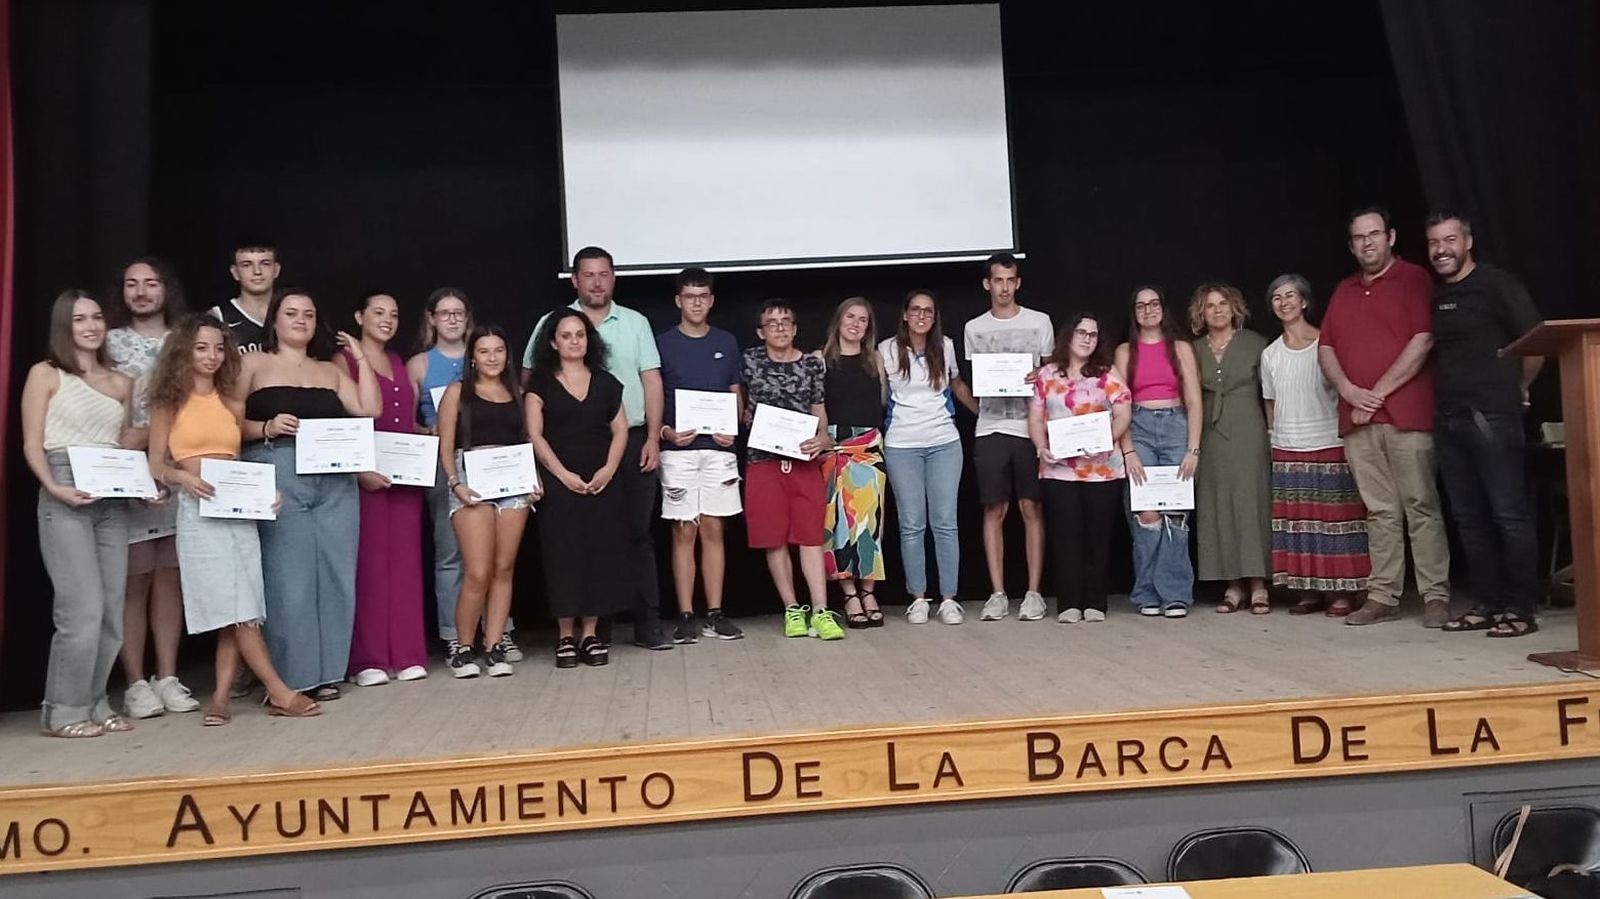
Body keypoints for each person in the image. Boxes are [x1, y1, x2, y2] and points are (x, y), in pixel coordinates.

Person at [146, 315, 320, 723]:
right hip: (198, 510)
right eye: (201, 347)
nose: (210, 356)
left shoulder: (230, 401)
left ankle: (221, 699)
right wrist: (183, 478)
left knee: (242, 604)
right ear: (184, 351)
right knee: (235, 605)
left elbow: (239, 459)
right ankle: (280, 692)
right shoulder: (167, 401)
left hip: (237, 509)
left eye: (217, 348)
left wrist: (264, 495)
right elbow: (156, 463)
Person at [234, 288, 379, 700]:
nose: (300, 320)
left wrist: (360, 358)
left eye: (309, 314)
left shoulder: (329, 370)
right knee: (287, 579)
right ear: (274, 320)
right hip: (277, 467)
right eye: (292, 313)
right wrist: (264, 427)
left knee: (336, 574)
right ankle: (292, 678)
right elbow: (227, 421)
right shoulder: (253, 363)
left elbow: (369, 409)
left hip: (334, 477)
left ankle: (328, 671)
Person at [522, 247, 670, 651]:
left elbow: (651, 380)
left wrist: (654, 437)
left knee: (635, 534)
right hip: (566, 447)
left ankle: (647, 623)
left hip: (632, 439)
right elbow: (529, 382)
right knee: (574, 538)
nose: (597, 282)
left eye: (604, 274)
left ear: (613, 278)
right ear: (575, 280)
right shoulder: (549, 324)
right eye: (588, 275)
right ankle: (592, 630)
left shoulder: (636, 323)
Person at [1319, 206, 1451, 627]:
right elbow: (1326, 349)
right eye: (1359, 238)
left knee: (1421, 505)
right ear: (1351, 245)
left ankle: (1435, 595)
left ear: (1391, 237)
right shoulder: (1343, 290)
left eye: (1374, 234)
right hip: (1358, 419)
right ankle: (1383, 596)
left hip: (1406, 414)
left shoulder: (1413, 278)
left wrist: (1376, 393)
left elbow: (1423, 340)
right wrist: (1350, 391)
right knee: (1379, 511)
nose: (1367, 243)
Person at [20, 290, 135, 737]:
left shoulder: (122, 382)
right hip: (64, 487)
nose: (90, 326)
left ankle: (95, 700)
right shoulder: (45, 374)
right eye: (79, 319)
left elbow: (119, 445)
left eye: (96, 317)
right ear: (63, 328)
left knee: (110, 610)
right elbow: (32, 441)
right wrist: (53, 486)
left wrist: (143, 488)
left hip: (111, 495)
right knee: (80, 610)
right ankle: (63, 710)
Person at [1427, 213, 1545, 637]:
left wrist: (1518, 389)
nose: (1442, 249)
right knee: (1469, 517)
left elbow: (1536, 343)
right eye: (1435, 243)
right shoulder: (1438, 297)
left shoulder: (1497, 284)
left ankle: (1522, 608)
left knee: (1508, 513)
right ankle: (1486, 602)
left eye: (1450, 240)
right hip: (1449, 417)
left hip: (1493, 416)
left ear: (1468, 242)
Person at [406, 289, 520, 657]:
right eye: (445, 313)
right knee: (456, 558)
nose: (453, 319)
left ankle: (497, 635)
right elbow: (408, 422)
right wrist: (435, 441)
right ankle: (457, 636)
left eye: (459, 312)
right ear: (432, 319)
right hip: (452, 468)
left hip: (506, 477)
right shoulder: (422, 365)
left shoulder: (511, 386)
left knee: (500, 565)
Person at [106, 257, 197, 719]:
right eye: (131, 284)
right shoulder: (109, 342)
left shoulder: (185, 341)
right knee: (134, 580)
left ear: (166, 289)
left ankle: (167, 675)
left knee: (170, 579)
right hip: (128, 476)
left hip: (179, 471)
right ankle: (135, 682)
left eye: (151, 283)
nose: (141, 291)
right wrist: (137, 442)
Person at [1260, 275, 1371, 616]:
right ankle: (1307, 589)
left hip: (1328, 441)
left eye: (1290, 295)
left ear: (1304, 301)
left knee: (1336, 523)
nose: (1284, 302)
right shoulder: (1270, 354)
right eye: (1277, 297)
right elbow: (1270, 402)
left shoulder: (1326, 343)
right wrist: (1273, 437)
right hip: (1288, 446)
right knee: (1301, 525)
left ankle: (1342, 592)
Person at [526, 310, 632, 666]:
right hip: (560, 484)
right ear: (553, 342)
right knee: (563, 557)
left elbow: (620, 430)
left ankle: (590, 635)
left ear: (590, 340)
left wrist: (609, 469)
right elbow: (534, 435)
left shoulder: (606, 382)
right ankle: (565, 637)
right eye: (566, 335)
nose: (574, 341)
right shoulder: (539, 385)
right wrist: (561, 475)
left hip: (601, 483)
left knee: (598, 555)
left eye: (580, 335)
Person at [438, 325, 537, 677]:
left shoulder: (518, 392)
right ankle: (464, 648)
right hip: (471, 483)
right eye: (484, 351)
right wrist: (455, 483)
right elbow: (445, 445)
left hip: (513, 485)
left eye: (498, 350)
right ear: (473, 358)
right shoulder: (457, 392)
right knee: (477, 571)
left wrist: (532, 481)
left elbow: (526, 442)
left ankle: (494, 646)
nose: (492, 357)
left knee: (503, 568)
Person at [742, 299, 843, 641]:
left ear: (795, 328)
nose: (780, 328)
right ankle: (791, 609)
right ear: (761, 332)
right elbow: (738, 404)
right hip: (762, 461)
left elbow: (819, 409)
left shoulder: (812, 366)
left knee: (810, 536)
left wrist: (823, 436)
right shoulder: (749, 361)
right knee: (774, 537)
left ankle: (820, 610)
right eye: (772, 323)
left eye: (786, 322)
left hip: (803, 461)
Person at [963, 253, 1054, 621]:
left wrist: (1039, 377)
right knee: (994, 509)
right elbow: (976, 383)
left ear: (1017, 283)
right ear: (987, 284)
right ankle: (998, 593)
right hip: (991, 428)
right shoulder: (974, 328)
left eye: (1010, 280)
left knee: (1030, 507)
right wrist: (980, 403)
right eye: (997, 280)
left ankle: (1034, 593)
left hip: (1030, 428)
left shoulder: (1040, 322)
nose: (1003, 287)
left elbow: (1053, 374)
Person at [343, 292, 428, 686]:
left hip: (405, 478)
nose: (387, 320)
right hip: (367, 478)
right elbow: (340, 425)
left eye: (394, 314)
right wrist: (359, 470)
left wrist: (428, 441)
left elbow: (407, 424)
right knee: (371, 567)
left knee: (406, 565)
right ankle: (369, 659)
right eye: (378, 312)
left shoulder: (397, 361)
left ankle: (407, 653)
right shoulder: (342, 360)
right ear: (360, 316)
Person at [656, 268, 744, 642]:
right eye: (689, 296)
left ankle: (715, 612)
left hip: (718, 451)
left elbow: (735, 391)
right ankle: (686, 614)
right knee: (683, 530)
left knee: (713, 528)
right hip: (678, 451)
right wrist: (665, 433)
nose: (696, 302)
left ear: (711, 300)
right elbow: (654, 397)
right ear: (679, 301)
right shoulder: (662, 343)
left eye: (702, 296)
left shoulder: (726, 341)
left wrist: (734, 427)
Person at [880, 290, 977, 625]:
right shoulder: (887, 350)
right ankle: (918, 597)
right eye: (916, 310)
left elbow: (956, 385)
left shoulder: (945, 346)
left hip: (944, 443)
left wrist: (983, 412)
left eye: (929, 311)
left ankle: (949, 598)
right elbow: (878, 395)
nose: (922, 316)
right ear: (905, 315)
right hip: (902, 445)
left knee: (945, 523)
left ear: (935, 317)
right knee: (911, 524)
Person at [1028, 313, 1132, 623]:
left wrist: (1105, 440)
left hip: (1102, 469)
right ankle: (1069, 603)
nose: (1087, 338)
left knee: (1098, 537)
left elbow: (1124, 413)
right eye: (1081, 332)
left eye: (1093, 334)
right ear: (1067, 336)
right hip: (1059, 469)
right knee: (1066, 536)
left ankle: (1096, 603)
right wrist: (1040, 448)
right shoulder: (1047, 374)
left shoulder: (1107, 372)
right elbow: (1035, 418)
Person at [1113, 286, 1202, 617]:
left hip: (1176, 425)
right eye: (1141, 305)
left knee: (1175, 514)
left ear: (1164, 308)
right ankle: (1147, 592)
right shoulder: (1125, 351)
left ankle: (1176, 593)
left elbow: (1194, 401)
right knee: (1147, 515)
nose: (1148, 310)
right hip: (1139, 428)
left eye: (1154, 304)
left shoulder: (1180, 348)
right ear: (1134, 312)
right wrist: (1128, 450)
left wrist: (1193, 448)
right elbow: (1117, 403)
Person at [1190, 283, 1272, 613]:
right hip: (1210, 435)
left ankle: (1259, 584)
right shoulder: (1192, 349)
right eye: (1210, 306)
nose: (1218, 310)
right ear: (1201, 313)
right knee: (1218, 505)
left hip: (1249, 431)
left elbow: (1269, 394)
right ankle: (1232, 585)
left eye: (1223, 303)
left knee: (1252, 503)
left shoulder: (1257, 344)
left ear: (1234, 308)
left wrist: (1272, 433)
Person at [819, 297, 888, 628]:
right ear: (839, 320)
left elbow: (883, 403)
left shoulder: (875, 359)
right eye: (851, 316)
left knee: (870, 523)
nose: (856, 323)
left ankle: (869, 591)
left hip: (869, 448)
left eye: (863, 319)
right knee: (838, 526)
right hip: (833, 448)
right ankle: (848, 593)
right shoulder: (820, 359)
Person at [208, 241, 280, 355]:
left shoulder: (294, 314)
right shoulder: (218, 317)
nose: (257, 271)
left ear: (276, 269)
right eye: (247, 265)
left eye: (265, 263)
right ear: (235, 272)